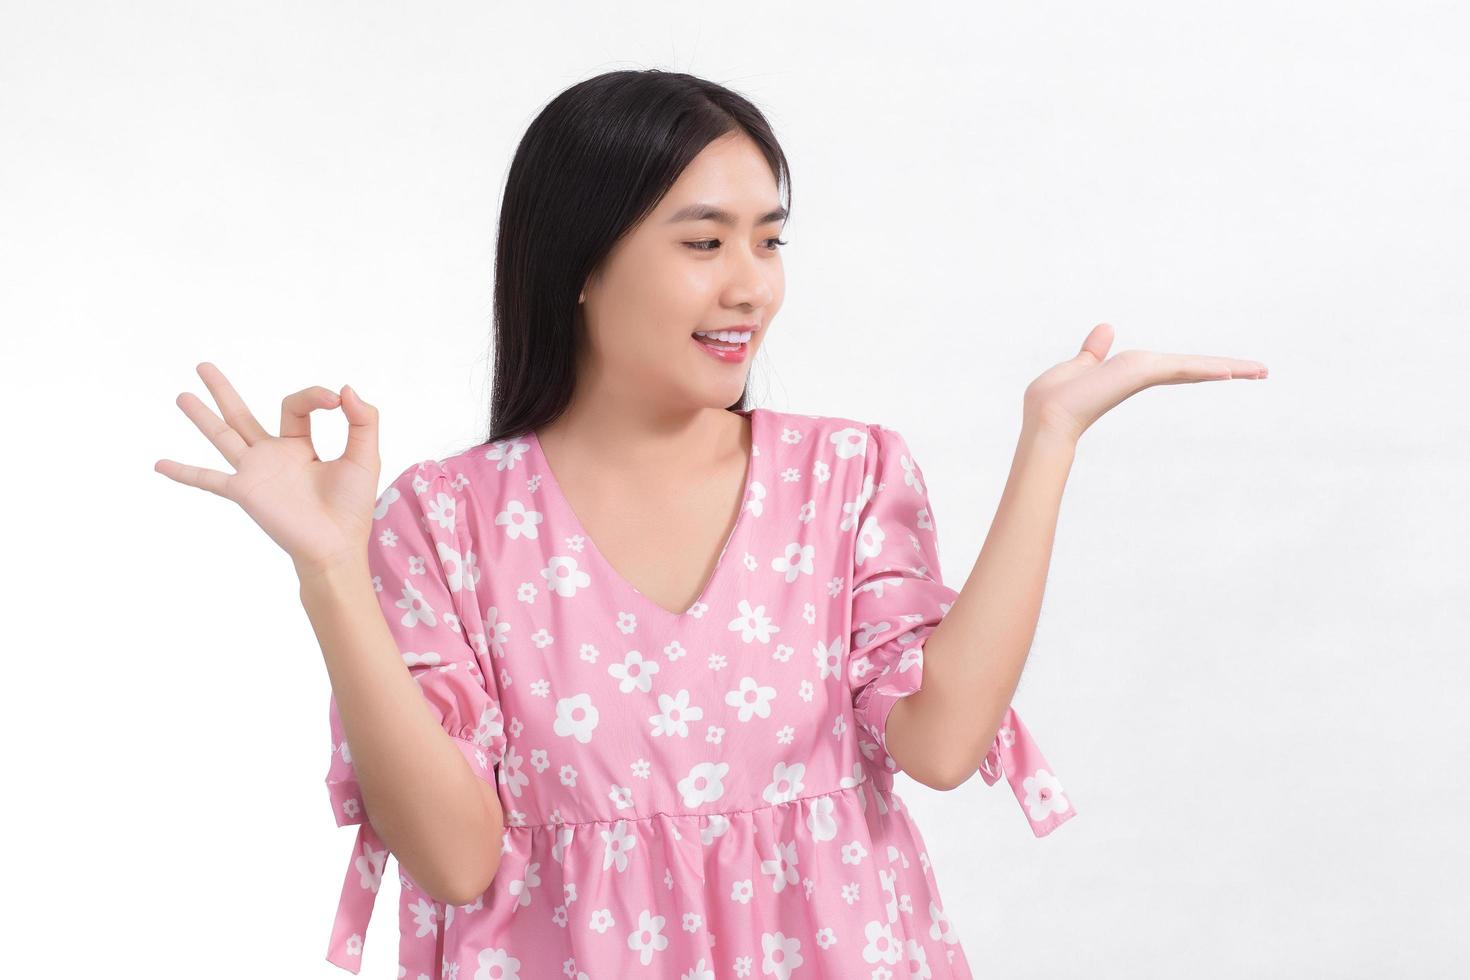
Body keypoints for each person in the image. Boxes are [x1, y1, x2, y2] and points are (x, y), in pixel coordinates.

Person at [155, 69, 1267, 979]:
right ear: (579, 265)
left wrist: (1050, 438)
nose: (753, 286)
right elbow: (452, 860)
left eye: (769, 240)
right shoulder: (446, 521)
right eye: (705, 243)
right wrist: (328, 568)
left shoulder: (847, 474)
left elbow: (940, 740)